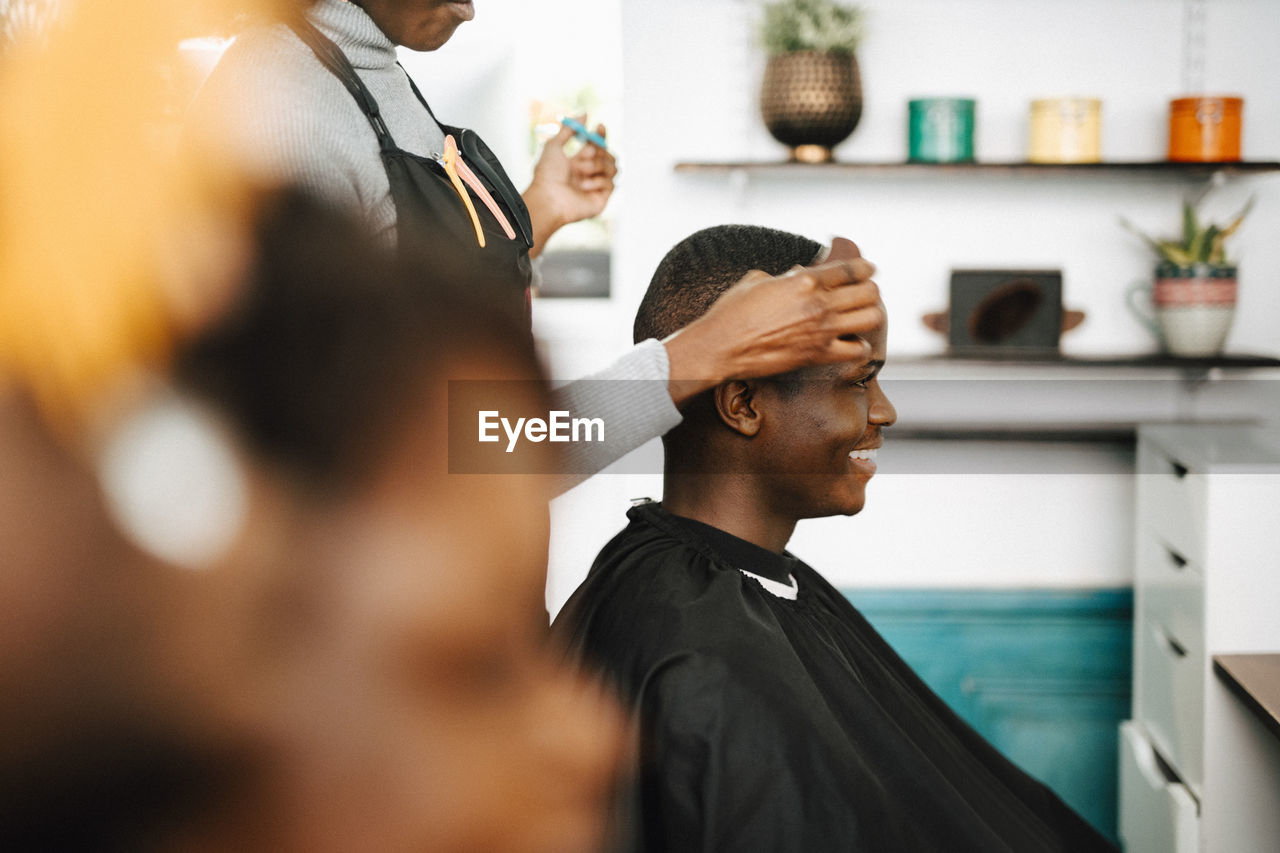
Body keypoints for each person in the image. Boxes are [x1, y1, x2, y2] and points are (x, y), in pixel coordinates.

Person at [552, 225, 1119, 852]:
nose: (884, 411)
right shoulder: (701, 652)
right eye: (858, 380)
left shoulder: (704, 594)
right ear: (742, 404)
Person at [187, 0, 885, 488]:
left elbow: (414, 313)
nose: (472, 10)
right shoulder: (274, 104)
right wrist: (703, 351)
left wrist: (539, 211)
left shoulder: (375, 72)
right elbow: (427, 450)